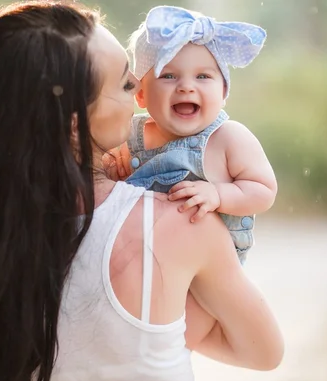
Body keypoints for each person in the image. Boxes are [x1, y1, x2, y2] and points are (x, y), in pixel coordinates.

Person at [0, 2, 283, 381]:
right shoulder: (181, 223)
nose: (142, 86)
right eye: (125, 83)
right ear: (72, 120)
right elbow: (263, 351)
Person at [109, 6, 278, 264]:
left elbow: (263, 190)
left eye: (202, 76)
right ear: (140, 94)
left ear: (223, 91)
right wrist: (111, 165)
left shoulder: (228, 138)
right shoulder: (128, 134)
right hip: (140, 263)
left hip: (208, 270)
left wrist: (219, 195)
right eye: (168, 75)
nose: (186, 86)